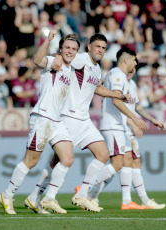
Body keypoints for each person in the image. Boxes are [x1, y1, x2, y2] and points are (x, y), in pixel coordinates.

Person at [25, 34, 143, 213]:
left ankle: (81, 194)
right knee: (58, 160)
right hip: (69, 117)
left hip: (84, 119)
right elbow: (66, 58)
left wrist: (118, 95)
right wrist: (57, 56)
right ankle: (40, 195)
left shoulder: (96, 70)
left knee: (103, 154)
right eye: (97, 46)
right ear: (89, 47)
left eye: (103, 48)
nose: (100, 50)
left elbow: (98, 88)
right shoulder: (80, 59)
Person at [0, 30, 80, 215]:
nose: (70, 51)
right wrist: (48, 40)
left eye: (74, 49)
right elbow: (37, 61)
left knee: (67, 158)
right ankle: (7, 195)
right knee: (31, 161)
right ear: (60, 49)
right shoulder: (54, 61)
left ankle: (43, 199)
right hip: (43, 117)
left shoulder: (70, 69)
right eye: (67, 47)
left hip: (56, 121)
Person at [86, 47, 165, 210]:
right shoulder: (117, 75)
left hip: (121, 126)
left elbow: (136, 105)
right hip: (115, 125)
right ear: (128, 61)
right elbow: (116, 101)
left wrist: (152, 120)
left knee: (128, 162)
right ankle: (87, 190)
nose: (135, 67)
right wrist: (133, 121)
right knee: (120, 163)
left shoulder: (129, 82)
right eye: (135, 62)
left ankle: (95, 196)